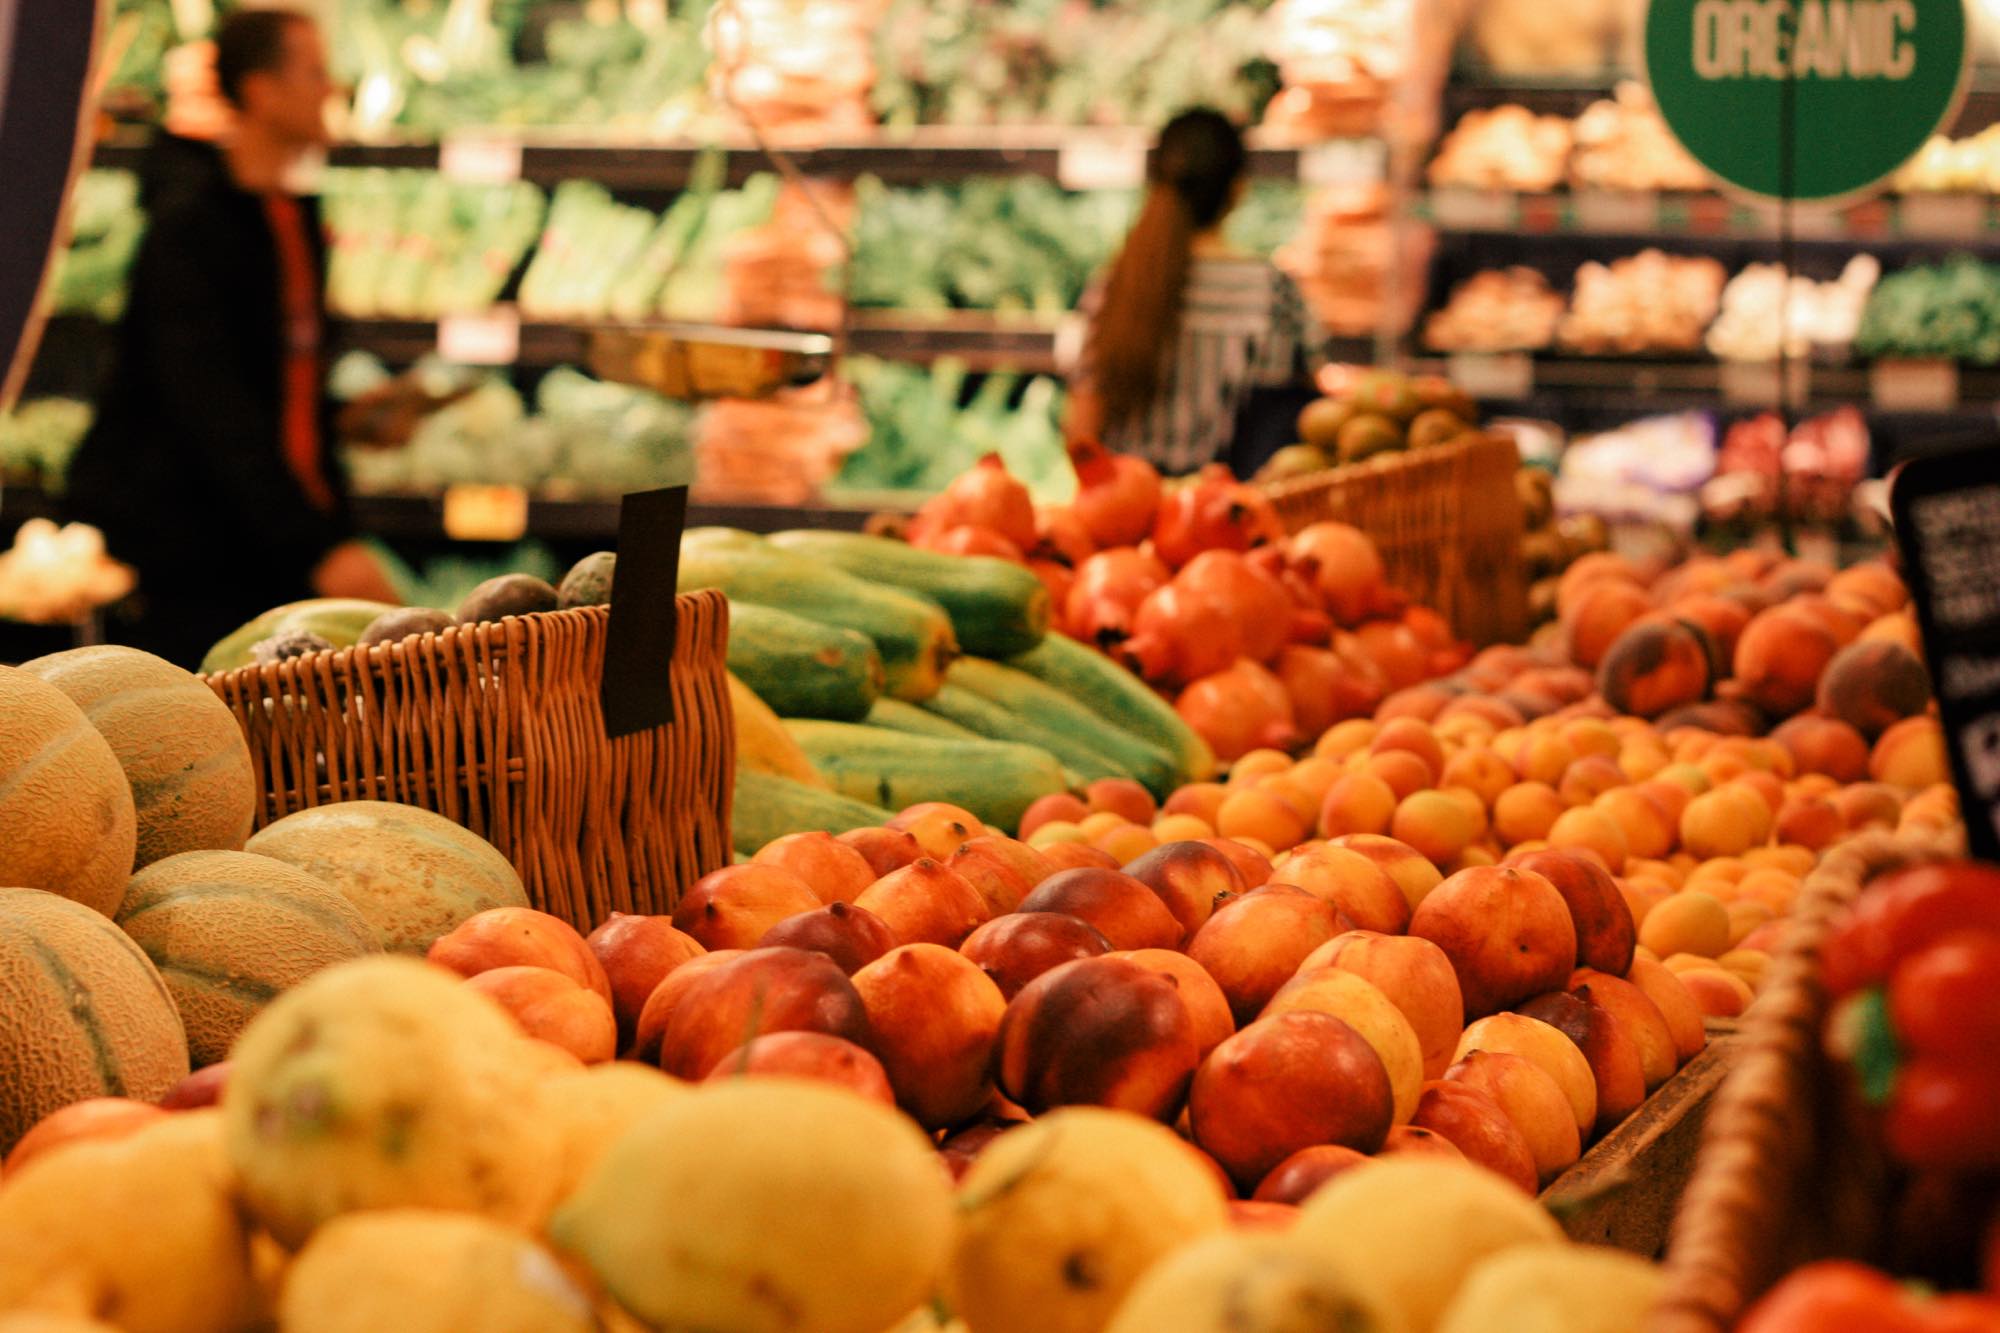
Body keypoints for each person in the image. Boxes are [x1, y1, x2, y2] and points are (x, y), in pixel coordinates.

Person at [67, 8, 400, 670]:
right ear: (260, 90)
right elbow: (209, 410)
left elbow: (269, 386)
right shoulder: (191, 226)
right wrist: (317, 548)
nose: (330, 89)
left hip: (271, 546)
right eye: (313, 72)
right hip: (198, 558)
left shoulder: (293, 218)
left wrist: (344, 421)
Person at [1065, 108, 1328, 478]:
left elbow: (1081, 433)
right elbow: (1312, 424)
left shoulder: (1115, 287)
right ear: (1237, 189)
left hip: (1130, 519)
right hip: (1235, 519)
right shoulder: (1272, 292)